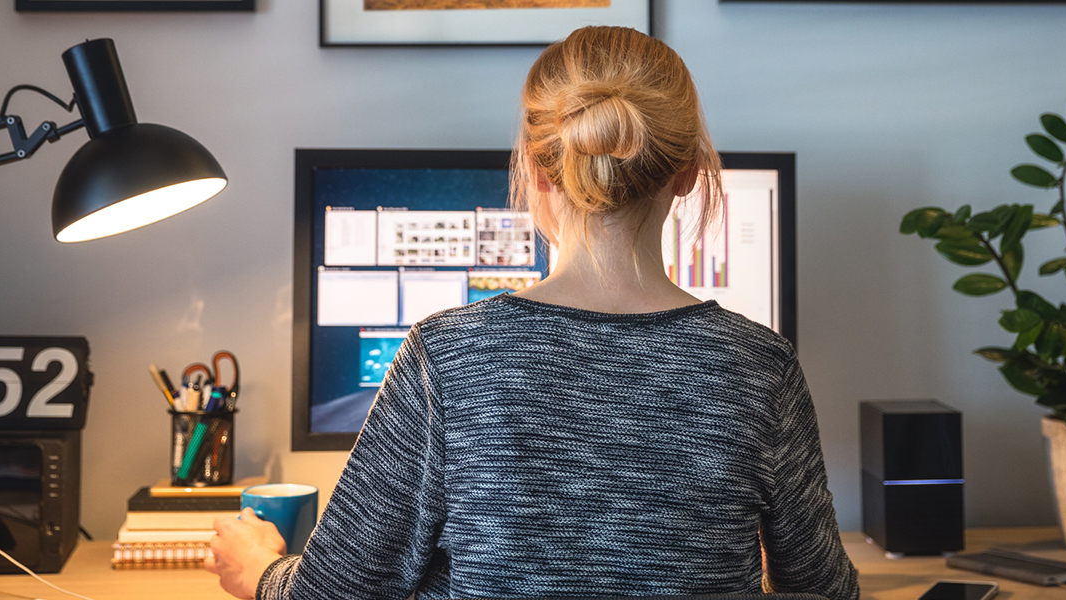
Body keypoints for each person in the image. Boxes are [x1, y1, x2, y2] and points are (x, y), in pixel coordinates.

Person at [206, 25, 860, 600]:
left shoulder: (446, 356)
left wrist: (261, 569)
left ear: (540, 173)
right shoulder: (759, 365)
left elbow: (337, 593)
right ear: (688, 173)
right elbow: (826, 591)